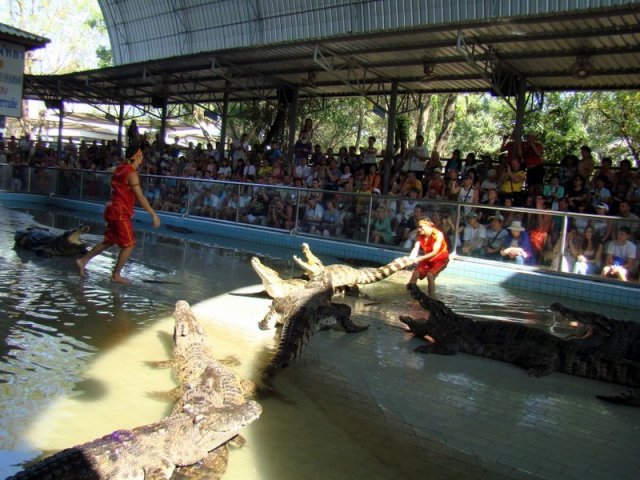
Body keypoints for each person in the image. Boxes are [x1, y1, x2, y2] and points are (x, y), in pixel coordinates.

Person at [76, 145, 161, 283]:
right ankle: (116, 275)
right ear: (137, 157)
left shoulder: (120, 168)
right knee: (129, 244)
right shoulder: (131, 174)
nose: (143, 158)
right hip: (120, 212)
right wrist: (153, 214)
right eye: (141, 155)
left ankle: (83, 260)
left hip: (114, 209)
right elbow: (140, 197)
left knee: (109, 241)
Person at [407, 218, 450, 296]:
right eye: (418, 227)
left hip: (441, 259)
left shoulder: (438, 234)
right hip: (428, 259)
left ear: (428, 225)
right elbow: (416, 248)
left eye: (421, 227)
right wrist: (411, 258)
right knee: (415, 273)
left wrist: (419, 258)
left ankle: (431, 297)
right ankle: (410, 294)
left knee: (430, 276)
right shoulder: (419, 234)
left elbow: (435, 252)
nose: (419, 229)